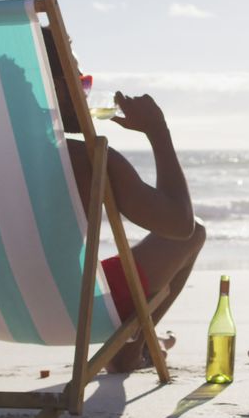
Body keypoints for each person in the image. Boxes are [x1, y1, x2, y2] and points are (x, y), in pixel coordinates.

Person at [43, 29, 206, 373]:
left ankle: (141, 344)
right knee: (194, 235)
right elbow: (179, 224)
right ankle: (132, 349)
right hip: (72, 311)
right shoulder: (88, 158)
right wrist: (158, 131)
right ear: (54, 87)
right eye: (80, 79)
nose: (86, 89)